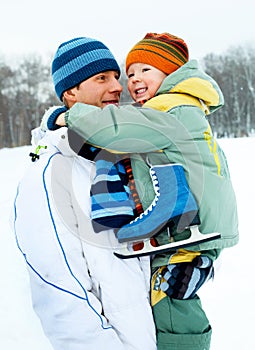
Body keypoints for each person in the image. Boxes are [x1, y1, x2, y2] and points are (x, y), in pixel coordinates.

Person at [43, 33, 239, 350]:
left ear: (171, 73)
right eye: (129, 73)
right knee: (172, 300)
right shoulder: (171, 108)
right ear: (71, 90)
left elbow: (115, 131)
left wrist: (68, 116)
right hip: (186, 229)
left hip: (190, 229)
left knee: (171, 302)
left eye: (144, 71)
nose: (129, 83)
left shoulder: (170, 109)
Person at [10, 37, 157, 350]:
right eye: (101, 78)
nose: (117, 86)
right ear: (70, 93)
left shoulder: (126, 155)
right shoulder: (51, 171)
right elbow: (60, 293)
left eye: (116, 76)